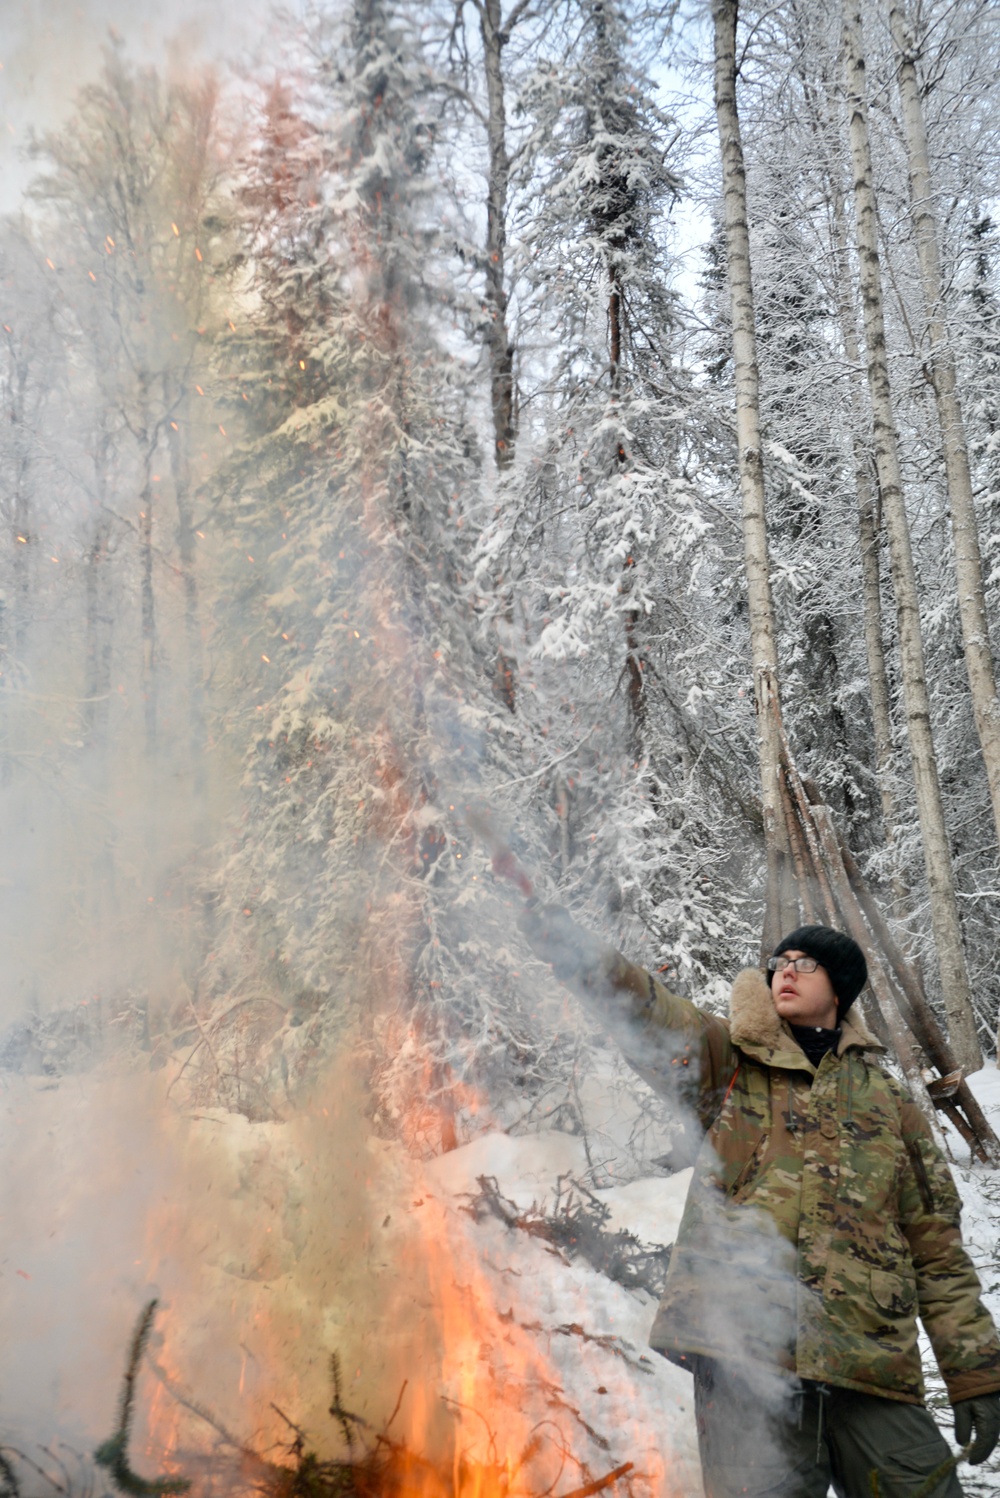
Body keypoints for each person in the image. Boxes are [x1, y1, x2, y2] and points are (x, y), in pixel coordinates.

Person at [519, 909, 1000, 1498]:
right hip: (745, 1358)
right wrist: (568, 943)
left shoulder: (889, 1104)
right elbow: (650, 1012)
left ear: (840, 987)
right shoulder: (728, 1064)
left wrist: (974, 1371)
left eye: (805, 963)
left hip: (869, 1364)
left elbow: (937, 1248)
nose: (785, 972)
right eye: (779, 963)